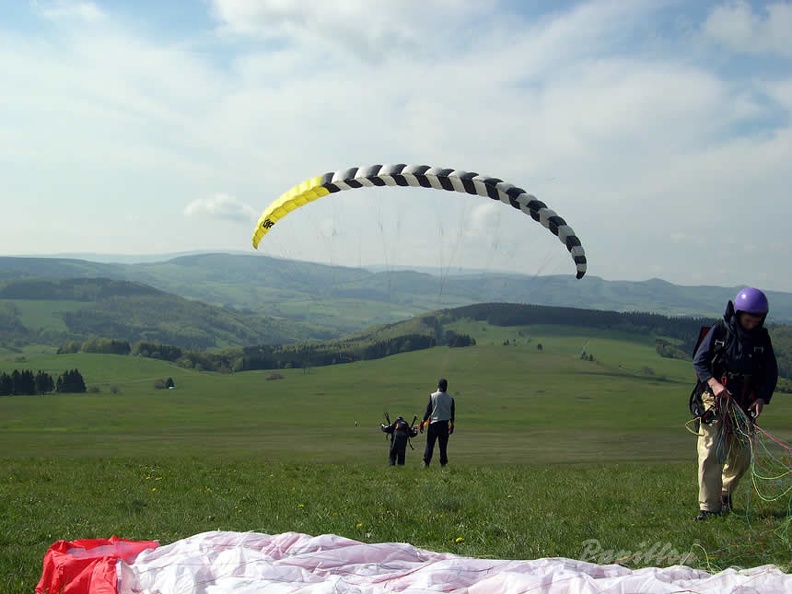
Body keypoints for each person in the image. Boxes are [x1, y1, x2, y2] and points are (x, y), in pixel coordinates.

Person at [692, 287, 778, 521]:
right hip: (715, 400)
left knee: (742, 456)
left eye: (756, 320)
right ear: (738, 314)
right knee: (710, 452)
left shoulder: (762, 339)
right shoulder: (720, 331)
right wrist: (715, 384)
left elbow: (771, 373)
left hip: (744, 403)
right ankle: (709, 508)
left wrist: (761, 398)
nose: (751, 324)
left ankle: (725, 493)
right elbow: (699, 361)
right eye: (747, 319)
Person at [420, 378, 455, 467]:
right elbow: (452, 413)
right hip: (444, 425)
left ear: (438, 386)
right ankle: (443, 464)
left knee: (430, 445)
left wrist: (422, 421)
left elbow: (428, 411)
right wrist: (452, 424)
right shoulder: (450, 398)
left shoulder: (433, 396)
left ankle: (426, 463)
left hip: (434, 424)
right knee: (443, 447)